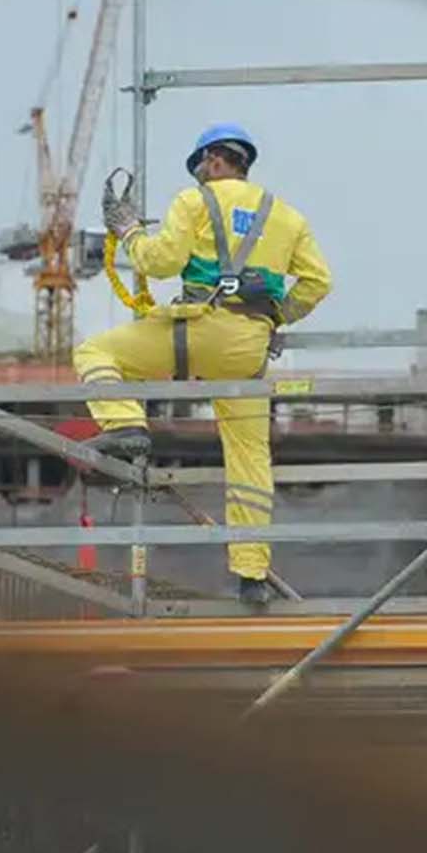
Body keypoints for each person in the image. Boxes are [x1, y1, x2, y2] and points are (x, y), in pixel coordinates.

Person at [78, 124, 335, 609]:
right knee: (249, 458)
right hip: (247, 346)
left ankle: (126, 424)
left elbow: (159, 262)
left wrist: (129, 231)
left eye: (200, 167)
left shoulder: (192, 202)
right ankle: (251, 576)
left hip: (193, 332)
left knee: (96, 353)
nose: (199, 176)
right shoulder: (286, 217)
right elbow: (317, 283)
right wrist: (277, 316)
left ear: (214, 159)